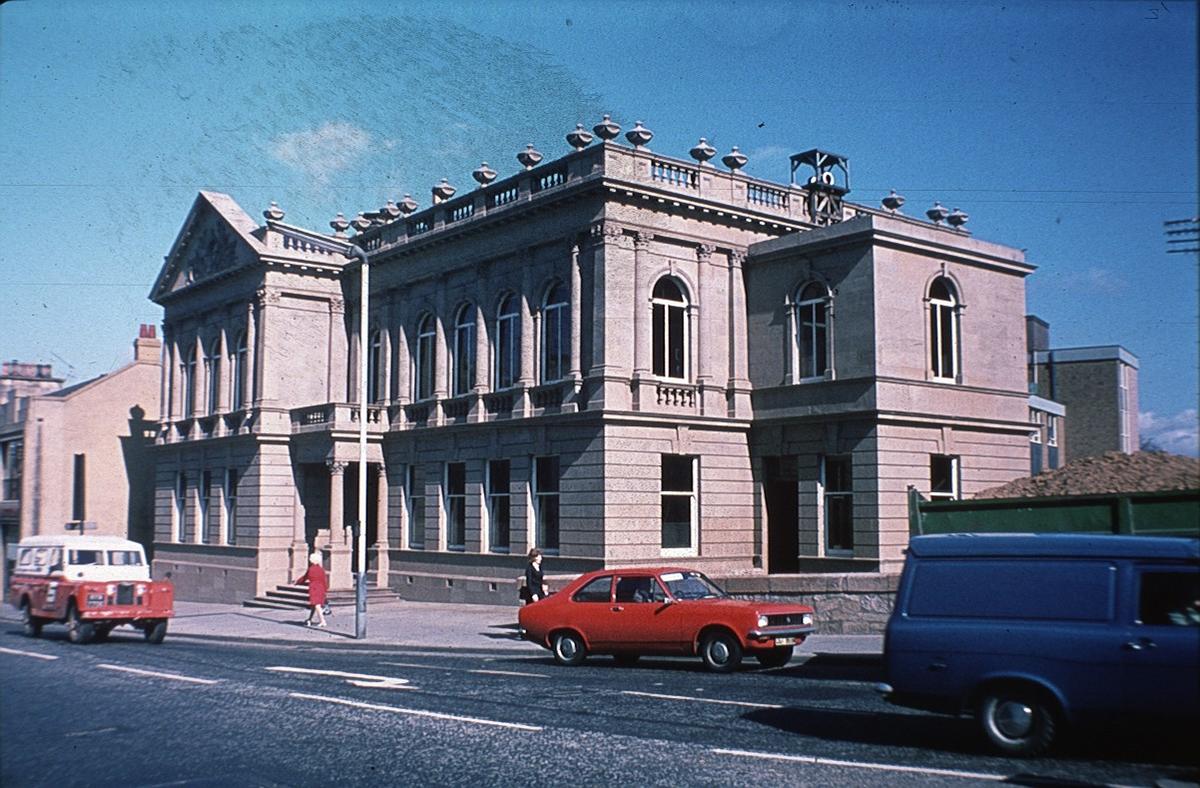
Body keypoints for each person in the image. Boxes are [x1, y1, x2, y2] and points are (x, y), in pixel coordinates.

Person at [293, 552, 329, 627]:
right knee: (314, 605)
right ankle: (309, 619)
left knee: (316, 605)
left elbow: (304, 578)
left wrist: (297, 582)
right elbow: (324, 580)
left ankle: (322, 621)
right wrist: (325, 589)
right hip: (321, 587)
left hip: (314, 588)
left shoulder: (311, 569)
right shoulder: (321, 569)